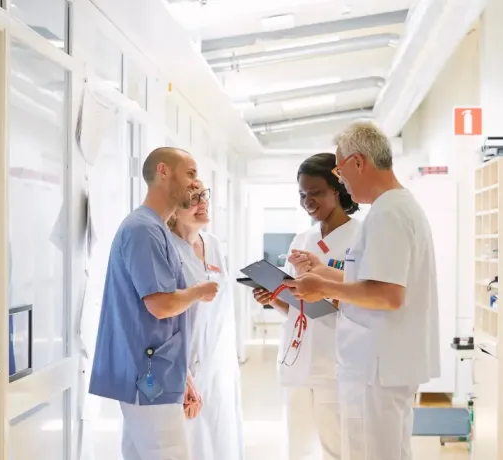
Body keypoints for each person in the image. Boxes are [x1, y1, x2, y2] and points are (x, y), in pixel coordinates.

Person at [284, 121, 440, 460]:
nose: (341, 181)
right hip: (381, 366)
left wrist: (322, 285)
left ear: (358, 163)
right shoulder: (394, 207)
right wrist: (321, 270)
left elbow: (388, 294)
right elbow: (370, 279)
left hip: (377, 367)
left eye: (340, 171)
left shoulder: (388, 213)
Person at [89, 147, 220, 460]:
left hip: (155, 373)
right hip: (148, 376)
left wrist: (182, 376)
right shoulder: (143, 229)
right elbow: (160, 306)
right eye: (190, 174)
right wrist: (199, 291)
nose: (195, 183)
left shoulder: (154, 228)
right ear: (163, 172)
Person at [253, 153, 361, 460]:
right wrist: (273, 296)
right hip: (298, 359)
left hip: (338, 360)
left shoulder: (362, 237)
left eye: (316, 193)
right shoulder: (302, 238)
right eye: (303, 194)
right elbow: (295, 307)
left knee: (338, 449)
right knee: (296, 447)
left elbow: (369, 298)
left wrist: (324, 287)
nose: (308, 201)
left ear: (338, 189)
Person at [169, 180, 246, 460]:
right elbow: (162, 315)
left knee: (223, 440)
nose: (203, 202)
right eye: (193, 198)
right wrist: (182, 375)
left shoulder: (212, 243)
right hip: (188, 363)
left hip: (221, 364)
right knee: (191, 444)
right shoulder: (169, 250)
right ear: (174, 210)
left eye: (204, 195)